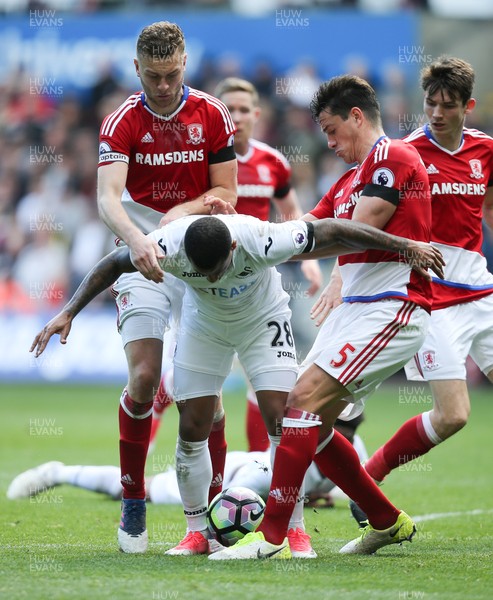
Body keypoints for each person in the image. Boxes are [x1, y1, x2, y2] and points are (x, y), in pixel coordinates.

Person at [30, 212, 443, 558]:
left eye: (216, 270)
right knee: (193, 424)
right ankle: (198, 533)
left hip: (262, 321)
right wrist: (68, 311)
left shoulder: (262, 238)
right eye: (200, 271)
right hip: (203, 325)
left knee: (284, 422)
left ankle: (295, 530)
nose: (210, 277)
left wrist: (403, 245)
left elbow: (332, 230)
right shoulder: (167, 245)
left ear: (231, 249)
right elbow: (112, 264)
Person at [209, 74, 439, 561]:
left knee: (303, 401)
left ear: (357, 116)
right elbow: (304, 231)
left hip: (393, 306)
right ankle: (385, 519)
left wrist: (296, 243)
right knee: (312, 423)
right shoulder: (347, 180)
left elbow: (359, 229)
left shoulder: (394, 158)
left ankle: (271, 538)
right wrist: (246, 242)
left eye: (333, 131)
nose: (330, 143)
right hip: (354, 310)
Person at [95, 21, 237, 553]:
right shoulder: (121, 122)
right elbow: (109, 198)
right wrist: (136, 240)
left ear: (185, 65)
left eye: (172, 74)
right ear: (137, 70)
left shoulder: (211, 113)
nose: (163, 85)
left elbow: (227, 190)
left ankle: (216, 508)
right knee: (145, 378)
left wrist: (184, 211)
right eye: (153, 76)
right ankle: (133, 502)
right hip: (142, 255)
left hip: (196, 256)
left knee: (206, 397)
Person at [345, 57, 493, 527]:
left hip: (481, 293)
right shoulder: (405, 153)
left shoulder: (486, 151)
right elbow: (360, 217)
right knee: (453, 416)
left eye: (448, 105)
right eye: (430, 102)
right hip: (430, 299)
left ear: (468, 106)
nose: (437, 112)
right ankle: (372, 474)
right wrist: (336, 279)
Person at [149, 77, 323, 458]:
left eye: (245, 110)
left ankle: (261, 465)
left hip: (253, 280)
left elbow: (291, 213)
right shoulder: (204, 163)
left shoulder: (272, 162)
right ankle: (158, 445)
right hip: (202, 278)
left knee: (260, 383)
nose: (239, 117)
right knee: (186, 378)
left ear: (257, 115)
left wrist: (308, 264)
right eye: (231, 110)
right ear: (219, 118)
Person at [7, 417, 368, 506]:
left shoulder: (356, 450)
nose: (348, 433)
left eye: (350, 426)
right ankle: (58, 472)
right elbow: (241, 498)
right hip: (227, 478)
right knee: (142, 490)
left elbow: (353, 496)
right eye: (344, 425)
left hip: (248, 466)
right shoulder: (269, 473)